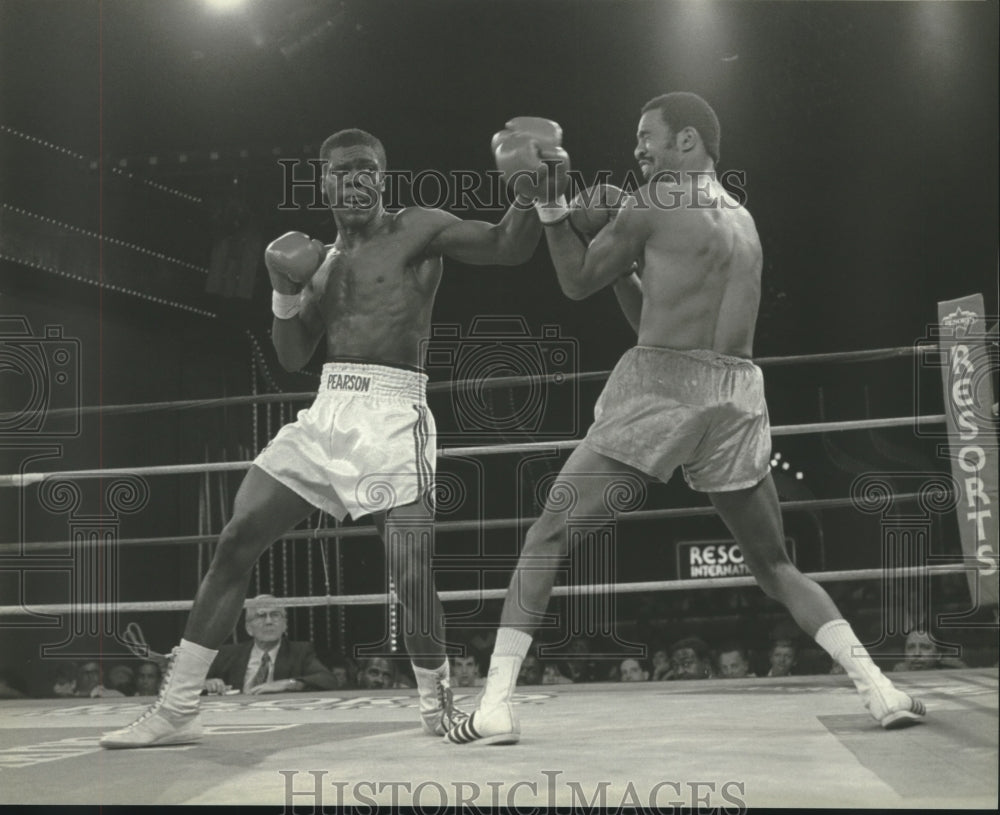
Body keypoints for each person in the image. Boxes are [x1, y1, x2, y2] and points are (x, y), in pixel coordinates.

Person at [447, 93, 924, 745]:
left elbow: (576, 282)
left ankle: (496, 704)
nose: (638, 147)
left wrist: (551, 207)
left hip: (663, 385)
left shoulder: (650, 206)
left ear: (690, 142)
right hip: (736, 394)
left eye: (649, 136)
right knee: (775, 565)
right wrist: (623, 259)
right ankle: (881, 688)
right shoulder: (743, 220)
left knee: (547, 536)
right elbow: (657, 314)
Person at [100, 126, 547, 748]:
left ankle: (435, 705)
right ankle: (177, 708)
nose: (355, 179)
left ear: (382, 176)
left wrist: (531, 185)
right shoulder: (320, 260)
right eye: (342, 171)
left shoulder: (417, 229)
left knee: (410, 572)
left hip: (393, 415)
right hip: (327, 409)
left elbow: (507, 246)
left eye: (366, 167)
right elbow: (291, 357)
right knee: (235, 541)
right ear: (325, 182)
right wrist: (284, 291)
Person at [202, 595, 339, 694]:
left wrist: (288, 684)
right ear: (249, 628)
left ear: (285, 625)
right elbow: (186, 681)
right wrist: (205, 684)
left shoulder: (300, 652)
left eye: (275, 615)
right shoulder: (228, 654)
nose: (269, 621)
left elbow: (327, 679)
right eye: (261, 616)